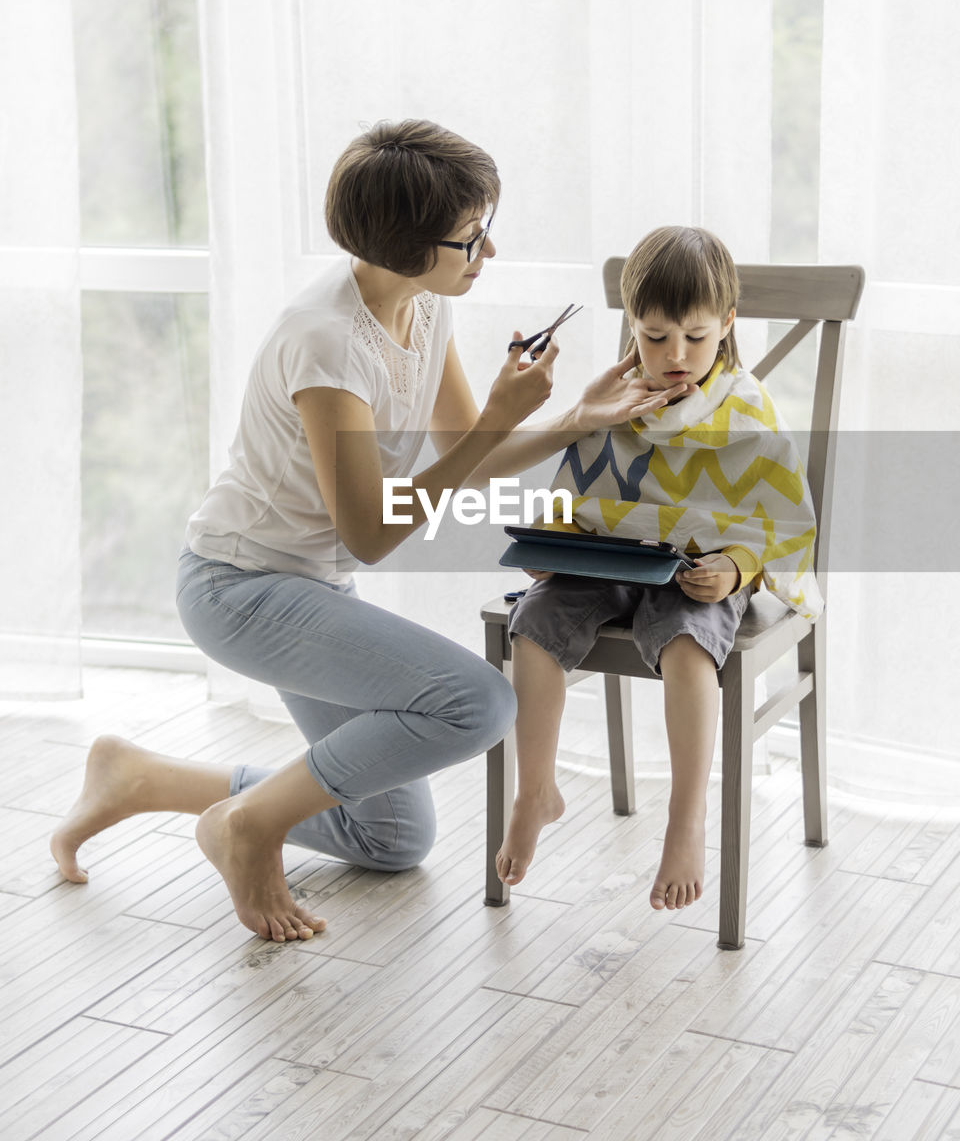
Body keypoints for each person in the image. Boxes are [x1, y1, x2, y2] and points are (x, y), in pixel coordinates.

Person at [51, 120, 679, 944]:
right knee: (479, 703)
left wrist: (571, 420)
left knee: (390, 838)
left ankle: (141, 777)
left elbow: (464, 453)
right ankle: (249, 826)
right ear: (403, 247)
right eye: (470, 239)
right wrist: (496, 420)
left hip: (311, 584)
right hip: (240, 588)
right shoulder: (326, 343)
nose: (486, 254)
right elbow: (377, 531)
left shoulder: (423, 306)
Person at [495, 225, 823, 912]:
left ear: (727, 326)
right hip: (607, 560)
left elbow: (781, 523)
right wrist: (553, 544)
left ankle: (685, 816)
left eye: (697, 337)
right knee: (535, 624)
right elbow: (577, 491)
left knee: (686, 643)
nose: (675, 356)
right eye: (654, 336)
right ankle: (535, 790)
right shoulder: (617, 400)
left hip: (694, 574)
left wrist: (734, 568)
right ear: (630, 328)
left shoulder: (746, 410)